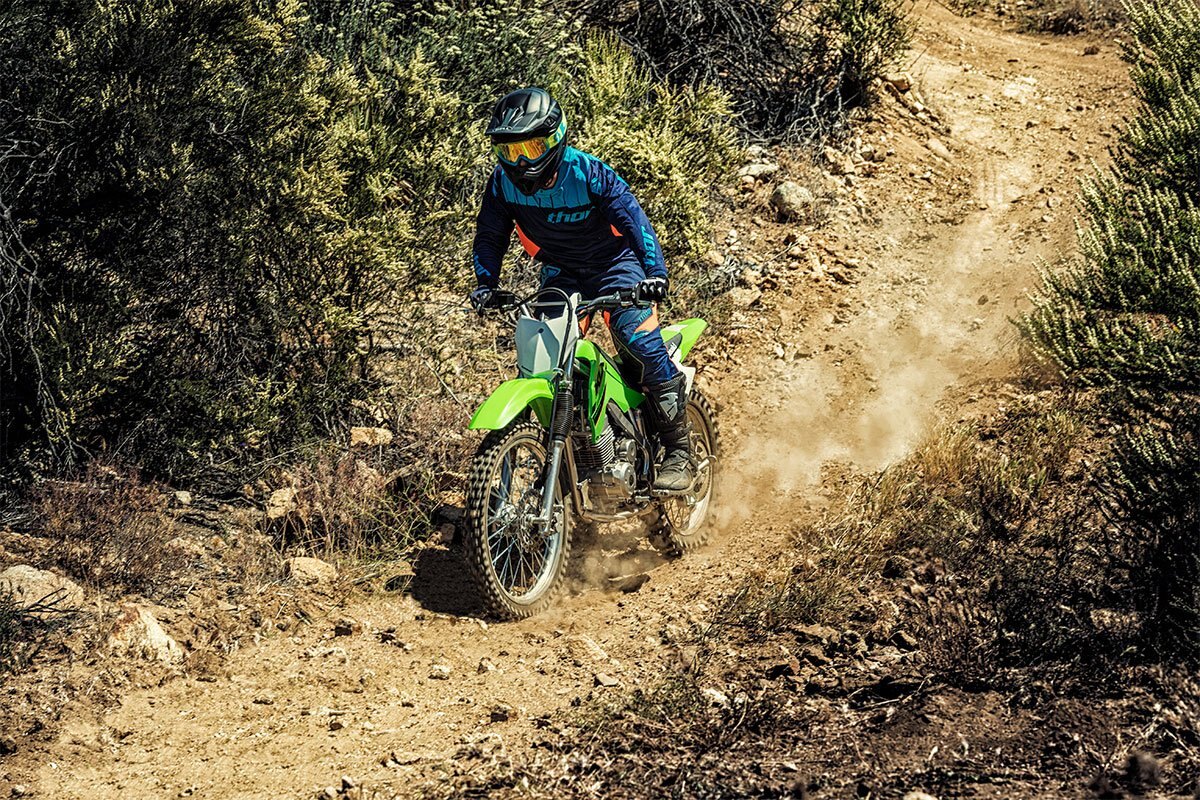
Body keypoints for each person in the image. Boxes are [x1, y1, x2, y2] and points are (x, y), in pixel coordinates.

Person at [468, 86, 694, 492]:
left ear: (556, 138)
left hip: (616, 266)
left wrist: (655, 274)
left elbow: (635, 222)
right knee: (545, 360)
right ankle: (576, 458)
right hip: (562, 272)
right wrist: (486, 283)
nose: (521, 162)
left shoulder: (590, 173)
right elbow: (490, 234)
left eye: (531, 147)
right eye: (509, 151)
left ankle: (680, 452)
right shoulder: (502, 183)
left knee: (639, 342)